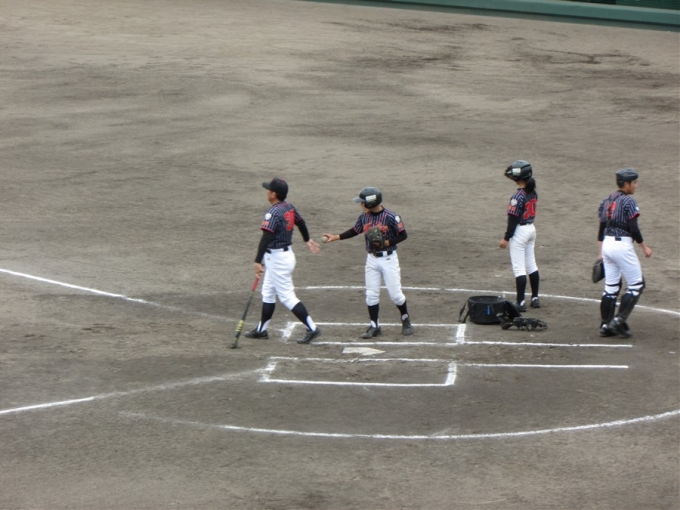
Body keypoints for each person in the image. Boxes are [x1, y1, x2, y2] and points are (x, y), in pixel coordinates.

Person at [322, 187, 413, 338]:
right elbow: (355, 230)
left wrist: (387, 242)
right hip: (371, 259)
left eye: (362, 202)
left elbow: (403, 235)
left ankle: (406, 320)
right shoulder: (364, 217)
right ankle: (374, 326)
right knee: (371, 295)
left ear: (370, 203)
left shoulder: (391, 216)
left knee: (396, 295)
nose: (360, 205)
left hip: (389, 259)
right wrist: (336, 237)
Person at [245, 177, 322, 344]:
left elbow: (266, 237)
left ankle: (312, 328)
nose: (266, 191)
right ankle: (261, 330)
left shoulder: (272, 213)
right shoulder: (288, 207)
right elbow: (301, 222)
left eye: (268, 189)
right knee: (268, 292)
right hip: (281, 256)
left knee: (287, 297)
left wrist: (257, 261)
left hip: (278, 260)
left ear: (274, 194)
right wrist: (307, 239)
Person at [597, 168, 652, 338]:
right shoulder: (629, 201)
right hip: (622, 246)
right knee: (637, 284)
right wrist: (644, 247)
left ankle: (605, 325)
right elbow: (633, 228)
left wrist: (600, 252)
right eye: (634, 182)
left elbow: (601, 228)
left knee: (610, 287)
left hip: (607, 245)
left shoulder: (607, 200)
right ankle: (618, 321)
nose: (636, 185)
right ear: (626, 184)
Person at [499, 160, 540, 312]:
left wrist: (506, 238)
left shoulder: (517, 197)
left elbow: (513, 219)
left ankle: (521, 302)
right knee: (531, 264)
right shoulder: (533, 192)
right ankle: (535, 298)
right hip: (531, 229)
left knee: (519, 268)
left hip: (520, 232)